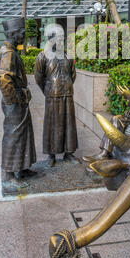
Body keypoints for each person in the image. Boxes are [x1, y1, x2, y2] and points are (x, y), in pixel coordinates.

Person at [0, 17, 37, 192]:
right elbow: (4, 79)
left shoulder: (11, 50)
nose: (24, 36)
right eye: (22, 33)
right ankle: (8, 174)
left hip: (19, 101)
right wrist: (13, 101)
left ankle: (21, 167)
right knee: (13, 136)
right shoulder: (9, 53)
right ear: (14, 34)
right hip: (15, 102)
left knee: (23, 134)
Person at [34, 26, 78, 167]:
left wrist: (67, 85)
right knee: (52, 124)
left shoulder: (68, 55)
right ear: (51, 40)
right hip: (52, 95)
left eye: (62, 39)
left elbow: (73, 74)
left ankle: (69, 152)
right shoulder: (43, 56)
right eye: (58, 39)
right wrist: (48, 89)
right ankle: (51, 154)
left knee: (69, 124)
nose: (61, 41)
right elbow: (38, 77)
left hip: (67, 94)